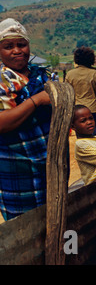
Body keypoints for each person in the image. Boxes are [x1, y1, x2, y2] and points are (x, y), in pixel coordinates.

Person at [0, 18, 52, 220]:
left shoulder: (42, 76)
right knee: (25, 229)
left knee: (53, 219)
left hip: (50, 166)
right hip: (17, 171)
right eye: (8, 46)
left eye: (21, 44)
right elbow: (2, 123)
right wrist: (36, 100)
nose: (16, 50)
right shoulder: (3, 80)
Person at [66, 46, 96, 137]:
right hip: (93, 111)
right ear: (91, 59)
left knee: (82, 141)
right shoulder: (94, 74)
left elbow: (68, 95)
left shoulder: (70, 74)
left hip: (77, 112)